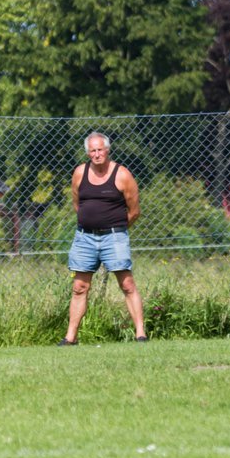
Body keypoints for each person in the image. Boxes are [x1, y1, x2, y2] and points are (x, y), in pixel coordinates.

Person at [60, 132, 146, 345]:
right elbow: (77, 204)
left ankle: (141, 334)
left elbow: (134, 211)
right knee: (79, 287)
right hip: (84, 238)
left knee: (127, 284)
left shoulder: (122, 175)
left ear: (107, 150)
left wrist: (115, 229)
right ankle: (70, 338)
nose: (97, 154)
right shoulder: (80, 172)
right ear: (87, 152)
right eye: (92, 150)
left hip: (114, 238)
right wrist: (90, 222)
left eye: (100, 150)